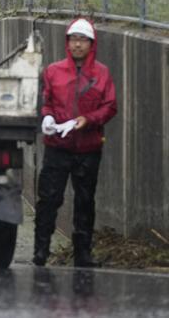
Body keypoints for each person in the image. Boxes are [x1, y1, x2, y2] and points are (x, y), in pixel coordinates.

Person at [33, 18, 117, 268]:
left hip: (88, 148)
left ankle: (83, 253)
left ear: (91, 44)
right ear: (67, 42)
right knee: (49, 198)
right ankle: (40, 250)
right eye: (74, 39)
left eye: (83, 40)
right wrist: (47, 117)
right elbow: (46, 101)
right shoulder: (53, 71)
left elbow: (110, 106)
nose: (78, 45)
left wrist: (87, 120)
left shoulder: (101, 73)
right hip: (57, 145)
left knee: (84, 200)